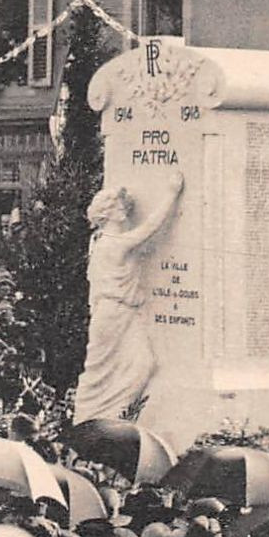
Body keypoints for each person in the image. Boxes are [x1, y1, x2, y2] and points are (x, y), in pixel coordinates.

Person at [72, 172, 185, 424]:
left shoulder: (102, 241)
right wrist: (171, 193)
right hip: (113, 313)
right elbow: (149, 228)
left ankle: (109, 419)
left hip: (120, 312)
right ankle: (94, 420)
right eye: (116, 206)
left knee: (142, 364)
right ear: (106, 213)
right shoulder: (113, 243)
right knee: (104, 372)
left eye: (122, 204)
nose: (123, 208)